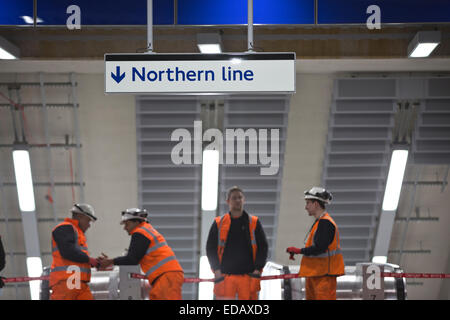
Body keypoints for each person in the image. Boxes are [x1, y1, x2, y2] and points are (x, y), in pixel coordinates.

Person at [98, 208, 184, 300]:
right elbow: (134, 257)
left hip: (165, 276)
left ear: (136, 222)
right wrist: (111, 261)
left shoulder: (140, 233)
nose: (125, 228)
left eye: (127, 224)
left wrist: (110, 261)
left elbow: (132, 259)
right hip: (165, 276)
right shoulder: (147, 231)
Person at [206, 186, 268, 300]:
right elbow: (210, 248)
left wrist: (257, 269)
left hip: (248, 277)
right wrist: (216, 270)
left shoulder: (254, 222)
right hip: (225, 278)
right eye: (234, 198)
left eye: (240, 197)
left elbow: (263, 247)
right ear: (228, 201)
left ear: (244, 200)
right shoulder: (219, 223)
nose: (238, 200)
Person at [286, 187, 345, 300]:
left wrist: (299, 251)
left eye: (308, 203)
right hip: (317, 273)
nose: (306, 207)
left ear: (316, 204)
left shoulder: (325, 223)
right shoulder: (321, 222)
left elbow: (320, 248)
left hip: (324, 276)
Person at [49, 203, 99, 300]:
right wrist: (89, 260)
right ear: (80, 216)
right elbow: (68, 251)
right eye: (88, 221)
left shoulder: (77, 233)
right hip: (66, 283)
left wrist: (93, 262)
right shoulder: (64, 228)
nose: (89, 225)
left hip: (79, 283)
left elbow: (78, 257)